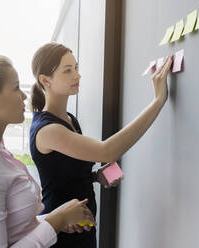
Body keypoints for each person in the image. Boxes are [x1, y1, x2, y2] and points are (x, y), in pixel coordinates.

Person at [0, 52, 96, 248]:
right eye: (15, 88)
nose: (24, 95)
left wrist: (57, 220)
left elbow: (13, 230)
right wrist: (56, 219)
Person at [29, 42, 172, 248]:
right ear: (45, 80)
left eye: (76, 68)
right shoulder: (48, 130)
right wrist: (157, 101)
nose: (77, 75)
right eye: (67, 71)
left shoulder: (69, 119)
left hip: (83, 227)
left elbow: (62, 174)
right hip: (62, 234)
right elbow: (107, 151)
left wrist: (95, 177)